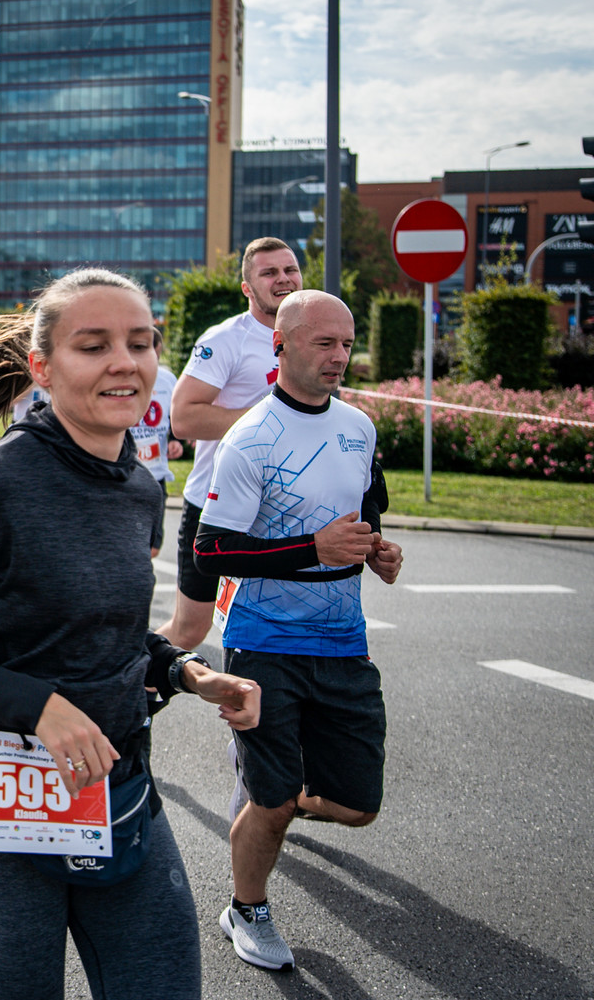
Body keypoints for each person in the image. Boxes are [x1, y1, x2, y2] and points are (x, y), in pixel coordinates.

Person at [0, 269, 260, 1000]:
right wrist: (34, 705)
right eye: (94, 345)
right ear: (42, 368)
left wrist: (182, 671)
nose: (125, 362)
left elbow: (106, 630)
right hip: (2, 815)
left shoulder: (140, 487)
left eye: (141, 342)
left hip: (122, 798)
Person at [193, 290, 402, 973]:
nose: (340, 356)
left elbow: (364, 508)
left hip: (342, 640)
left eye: (347, 344)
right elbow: (211, 552)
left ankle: (273, 795)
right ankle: (246, 907)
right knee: (274, 800)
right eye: (324, 342)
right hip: (265, 641)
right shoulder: (250, 438)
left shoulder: (359, 426)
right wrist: (314, 548)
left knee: (358, 806)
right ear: (281, 346)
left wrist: (377, 549)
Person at [159, 236, 300, 651]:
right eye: (269, 273)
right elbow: (183, 418)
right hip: (215, 506)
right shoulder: (225, 340)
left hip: (283, 507)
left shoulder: (312, 336)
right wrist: (264, 421)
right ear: (247, 288)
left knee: (277, 625)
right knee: (190, 630)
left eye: (290, 269)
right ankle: (126, 681)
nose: (283, 279)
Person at [132, 328, 182, 557]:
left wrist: (175, 440)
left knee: (153, 546)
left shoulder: (167, 379)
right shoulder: (124, 376)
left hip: (156, 472)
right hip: (126, 471)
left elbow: (175, 416)